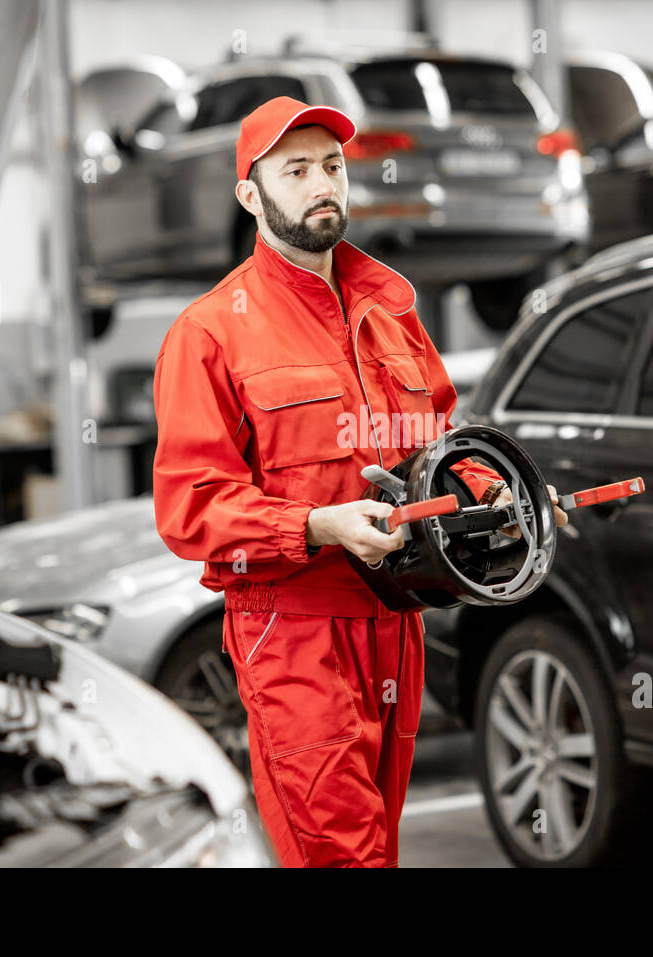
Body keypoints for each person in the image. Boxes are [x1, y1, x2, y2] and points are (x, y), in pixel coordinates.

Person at [152, 96, 567, 867]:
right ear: (252, 194)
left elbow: (437, 440)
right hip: (296, 629)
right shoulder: (211, 332)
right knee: (344, 854)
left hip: (397, 623)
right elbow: (190, 507)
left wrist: (492, 493)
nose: (323, 184)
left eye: (333, 167)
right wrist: (317, 525)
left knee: (379, 844)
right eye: (297, 169)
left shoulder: (392, 309)